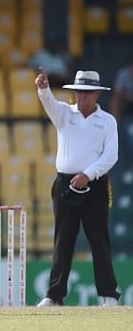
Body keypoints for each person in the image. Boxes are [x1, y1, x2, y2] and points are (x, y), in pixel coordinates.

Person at [35, 68, 120, 307]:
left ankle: (108, 294)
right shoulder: (64, 113)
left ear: (97, 95)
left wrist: (88, 174)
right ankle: (54, 295)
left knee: (99, 239)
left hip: (94, 183)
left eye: (87, 92)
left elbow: (111, 156)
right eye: (79, 92)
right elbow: (49, 103)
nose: (82, 97)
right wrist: (43, 88)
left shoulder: (107, 121)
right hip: (65, 183)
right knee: (63, 239)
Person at [109, 56, 133, 120]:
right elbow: (117, 92)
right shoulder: (123, 73)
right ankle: (114, 122)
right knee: (115, 100)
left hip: (127, 96)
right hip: (126, 101)